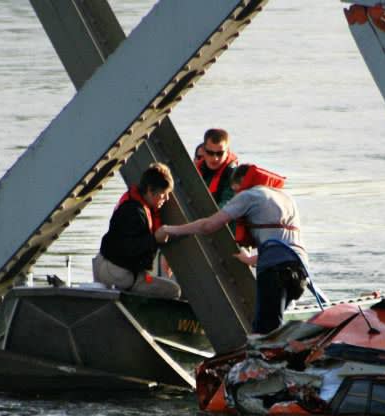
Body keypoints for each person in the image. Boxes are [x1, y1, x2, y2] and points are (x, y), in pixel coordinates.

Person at [156, 164, 309, 333]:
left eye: (236, 190)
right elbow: (284, 243)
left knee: (264, 330)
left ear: (243, 182)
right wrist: (250, 260)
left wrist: (171, 229)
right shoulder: (285, 196)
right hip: (300, 271)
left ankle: (265, 357)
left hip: (275, 271)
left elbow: (208, 226)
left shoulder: (249, 195)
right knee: (274, 325)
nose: (236, 195)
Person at [93, 162, 180, 299]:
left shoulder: (133, 203)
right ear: (150, 191)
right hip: (117, 273)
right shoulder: (135, 213)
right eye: (163, 194)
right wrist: (154, 239)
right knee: (173, 290)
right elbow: (128, 248)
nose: (167, 199)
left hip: (104, 264)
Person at [195, 128, 239, 205]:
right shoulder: (196, 168)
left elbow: (228, 206)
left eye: (220, 153)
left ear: (227, 151)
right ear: (203, 150)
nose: (215, 158)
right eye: (210, 153)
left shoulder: (233, 175)